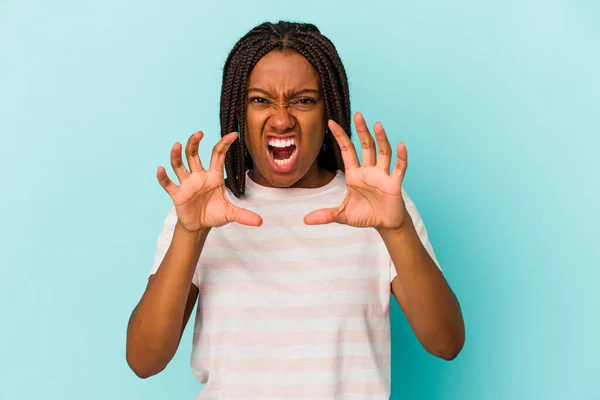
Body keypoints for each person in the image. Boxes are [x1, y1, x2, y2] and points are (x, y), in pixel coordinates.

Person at [126, 21, 464, 399]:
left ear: (328, 109)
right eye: (260, 100)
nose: (283, 118)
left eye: (303, 100)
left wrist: (397, 230)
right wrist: (190, 234)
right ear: (239, 110)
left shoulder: (378, 206)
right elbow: (144, 360)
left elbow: (446, 343)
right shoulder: (203, 212)